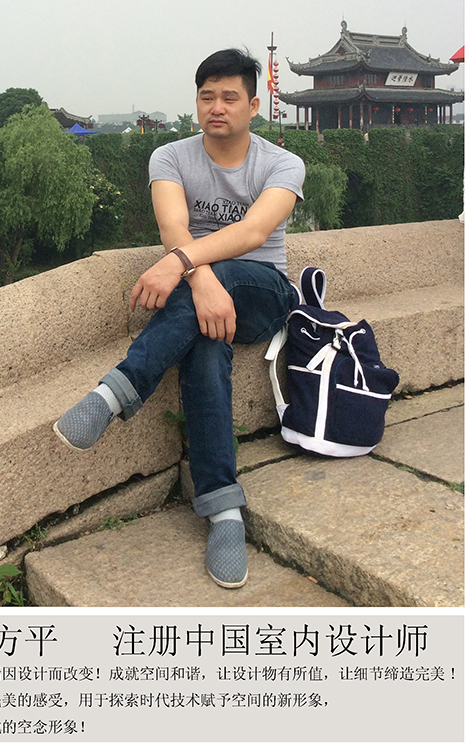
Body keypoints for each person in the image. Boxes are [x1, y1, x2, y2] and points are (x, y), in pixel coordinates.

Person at [54, 48, 305, 588]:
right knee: (205, 346)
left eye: (230, 97)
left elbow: (254, 233)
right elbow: (173, 228)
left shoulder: (282, 164)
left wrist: (182, 265)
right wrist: (200, 277)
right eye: (206, 96)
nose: (217, 107)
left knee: (228, 275)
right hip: (200, 294)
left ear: (253, 106)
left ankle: (115, 393)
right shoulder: (169, 157)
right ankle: (224, 510)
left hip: (263, 292)